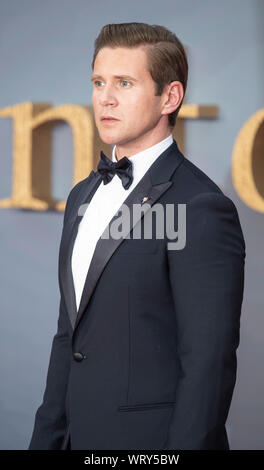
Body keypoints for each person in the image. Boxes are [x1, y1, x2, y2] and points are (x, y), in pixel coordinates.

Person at [28, 22, 245, 450]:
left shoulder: (201, 206)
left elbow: (207, 365)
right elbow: (68, 337)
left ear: (170, 97)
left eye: (124, 83)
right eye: (98, 82)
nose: (104, 98)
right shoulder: (80, 196)